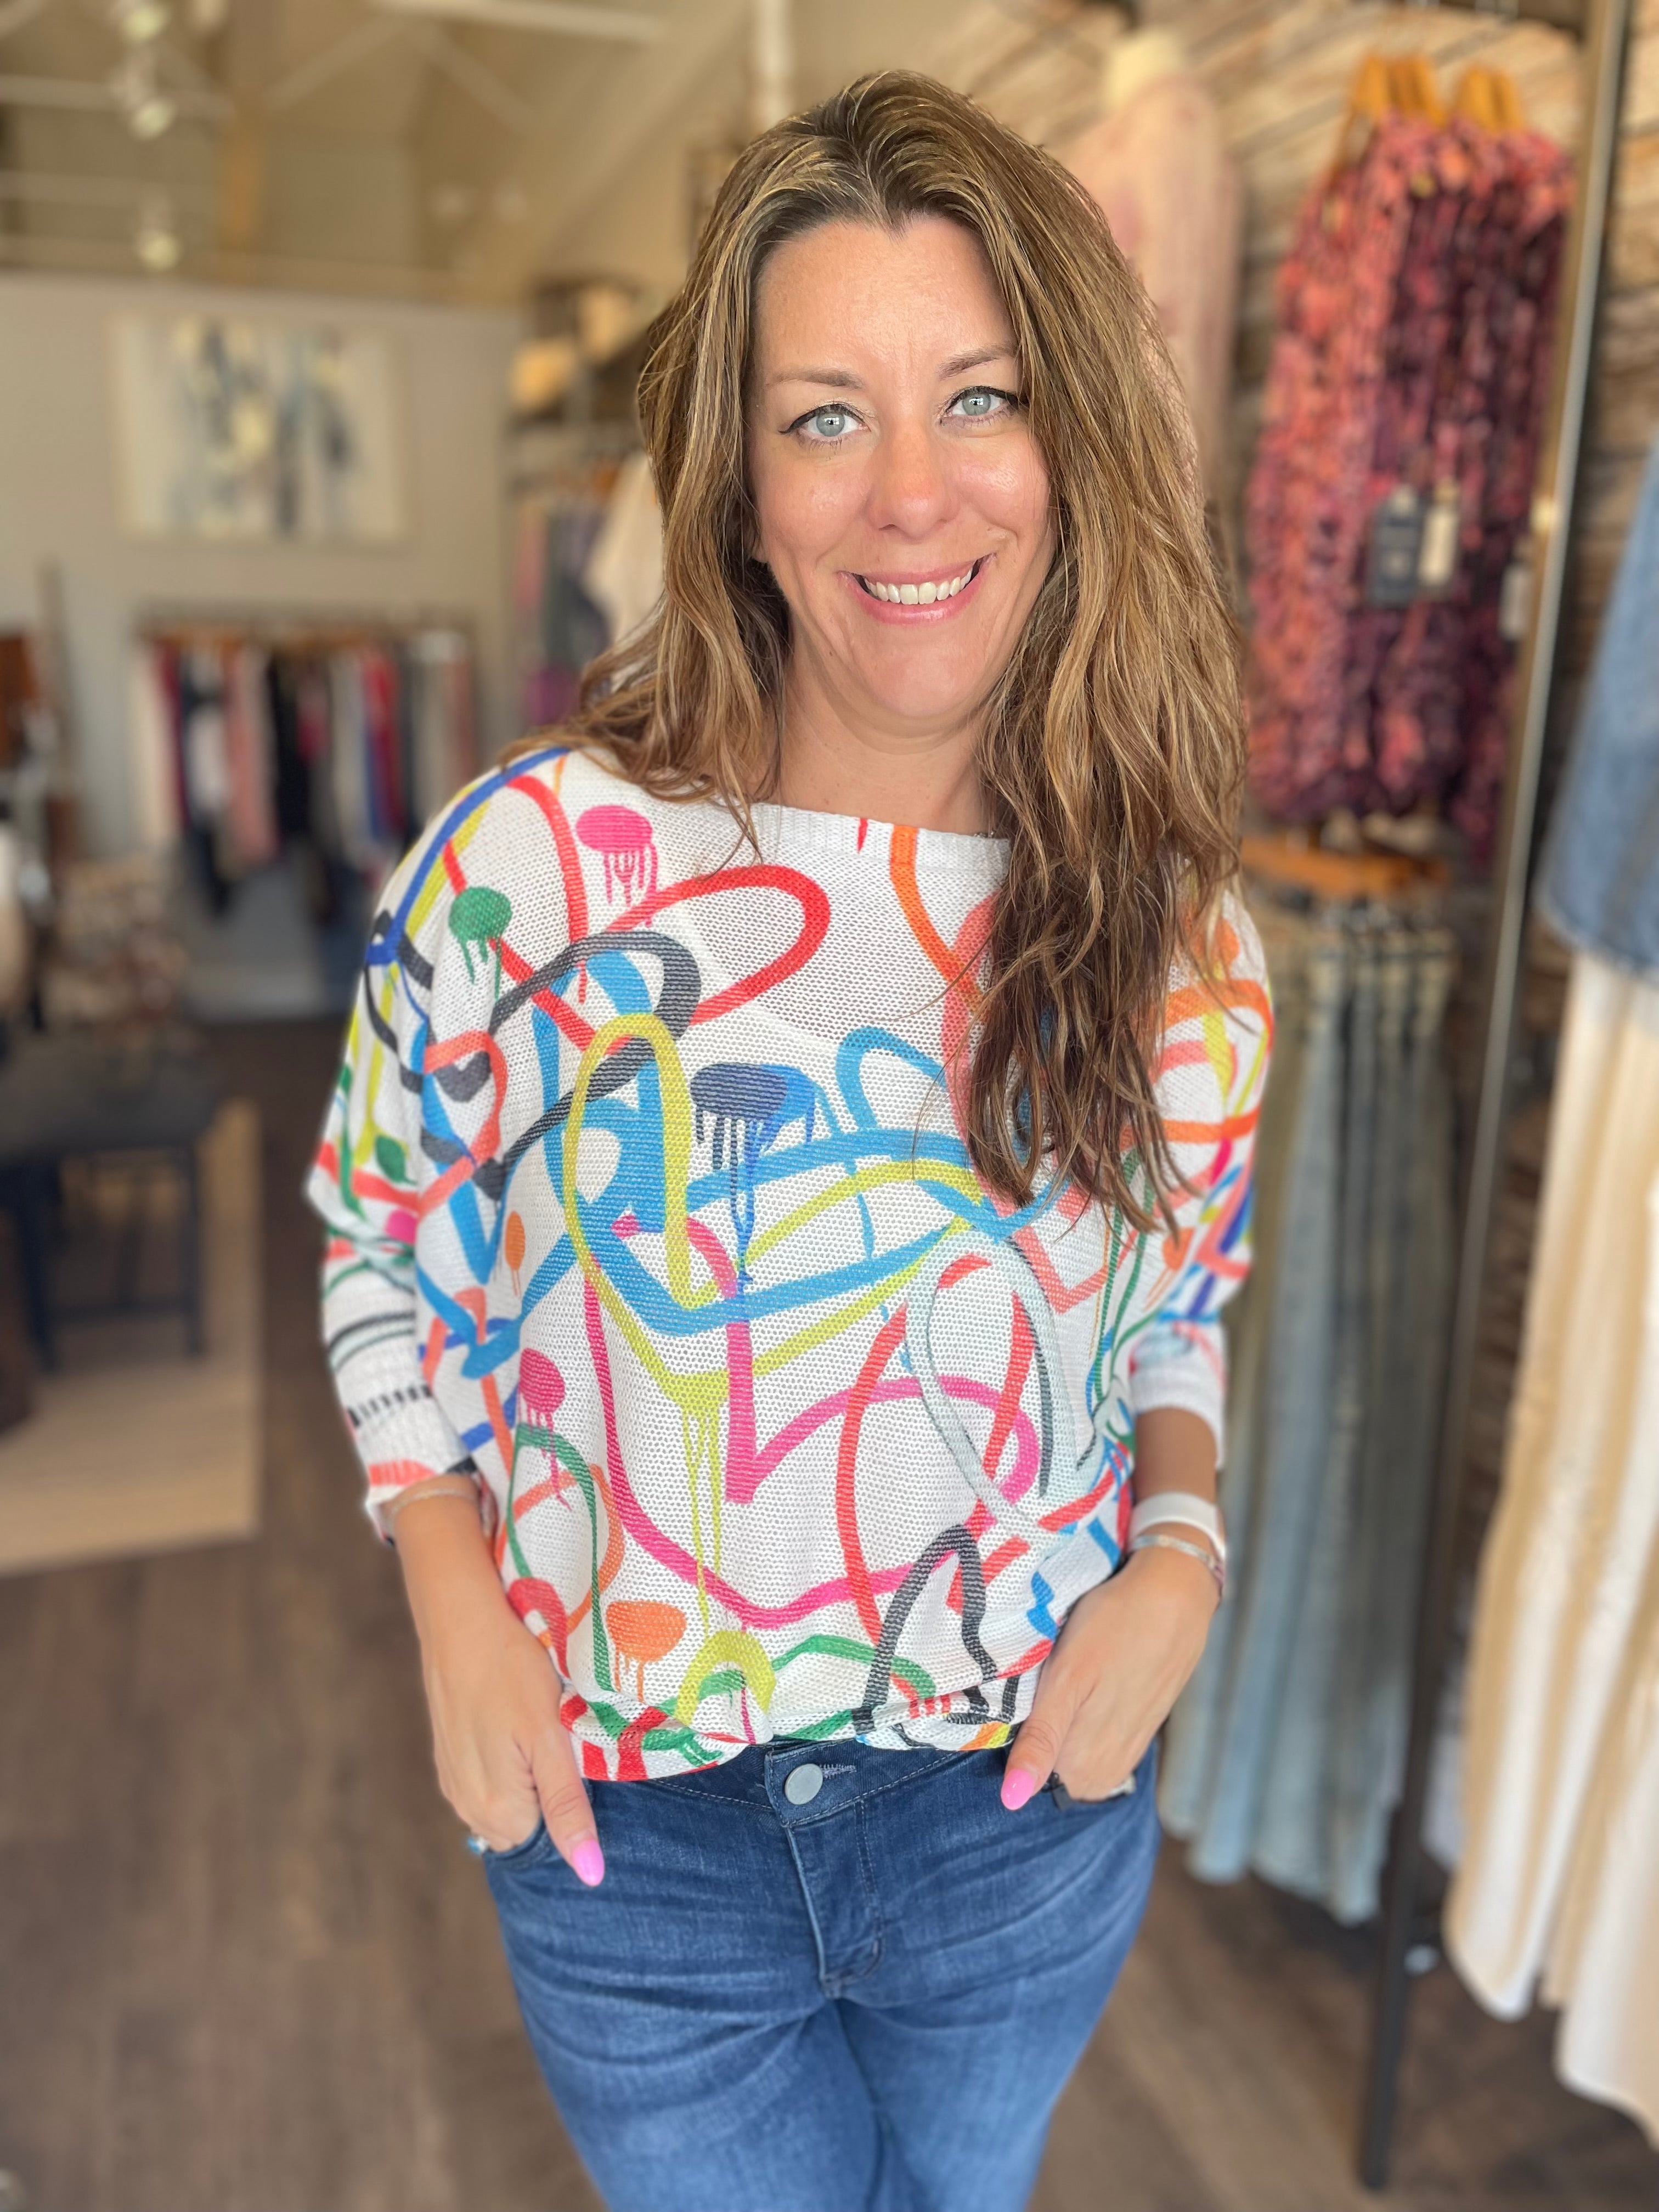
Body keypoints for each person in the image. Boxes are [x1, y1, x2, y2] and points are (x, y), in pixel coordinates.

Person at [308, 71, 1270, 2212]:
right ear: (739, 490)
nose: (911, 493)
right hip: (635, 1843)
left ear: (1072, 452)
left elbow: (1175, 1310)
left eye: (981, 399)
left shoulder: (1181, 937)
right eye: (828, 416)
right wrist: (451, 1597)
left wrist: (1184, 1563)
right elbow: (381, 1240)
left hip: (1016, 1811)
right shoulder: (539, 865)